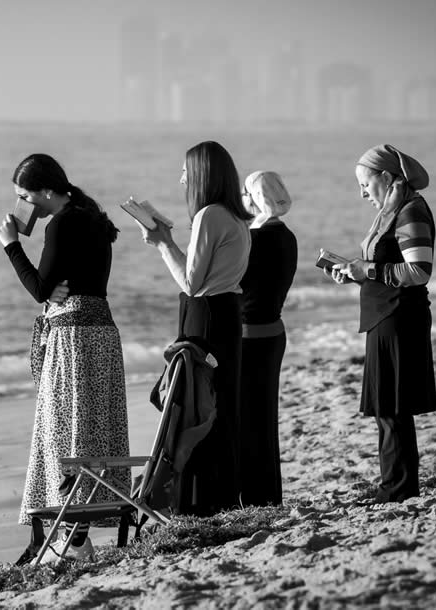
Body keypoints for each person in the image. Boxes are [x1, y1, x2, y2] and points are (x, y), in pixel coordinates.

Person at [0, 153, 129, 562]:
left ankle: (71, 540)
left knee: (62, 434)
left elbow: (40, 289)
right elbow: (63, 283)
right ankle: (75, 534)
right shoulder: (91, 216)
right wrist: (51, 286)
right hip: (102, 335)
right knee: (90, 434)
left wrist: (11, 245)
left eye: (24, 196)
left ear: (47, 193)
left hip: (72, 339)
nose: (22, 205)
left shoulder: (61, 224)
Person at [138, 141, 252, 516]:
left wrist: (162, 243)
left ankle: (199, 503)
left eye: (186, 171)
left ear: (202, 174)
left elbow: (191, 282)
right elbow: (204, 276)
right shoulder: (235, 216)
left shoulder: (210, 216)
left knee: (197, 404)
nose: (182, 178)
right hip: (225, 314)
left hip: (206, 315)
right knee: (220, 405)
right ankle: (222, 497)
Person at [325, 144, 436, 504]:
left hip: (399, 317)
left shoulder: (411, 211)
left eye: (365, 184)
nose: (361, 193)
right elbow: (389, 268)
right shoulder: (393, 211)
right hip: (385, 315)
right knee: (387, 408)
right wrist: (356, 274)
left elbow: (419, 272)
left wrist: (367, 270)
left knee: (393, 408)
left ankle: (399, 488)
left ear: (387, 177)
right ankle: (395, 484)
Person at [237, 171, 297, 507]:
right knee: (264, 417)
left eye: (246, 194)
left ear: (256, 197)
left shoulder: (256, 239)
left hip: (251, 337)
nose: (242, 199)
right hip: (273, 331)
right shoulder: (286, 236)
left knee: (248, 419)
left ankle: (255, 494)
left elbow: (234, 284)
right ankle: (267, 493)